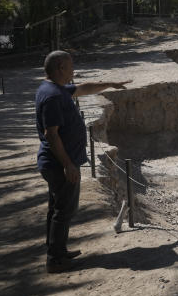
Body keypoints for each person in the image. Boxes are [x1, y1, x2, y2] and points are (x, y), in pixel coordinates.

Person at [35, 50, 129, 273]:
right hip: (59, 165)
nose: (73, 70)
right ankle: (56, 260)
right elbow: (51, 134)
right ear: (60, 67)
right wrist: (68, 164)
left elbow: (83, 88)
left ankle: (56, 249)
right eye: (70, 65)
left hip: (56, 163)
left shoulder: (54, 89)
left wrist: (110, 84)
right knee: (64, 210)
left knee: (57, 207)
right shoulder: (53, 96)